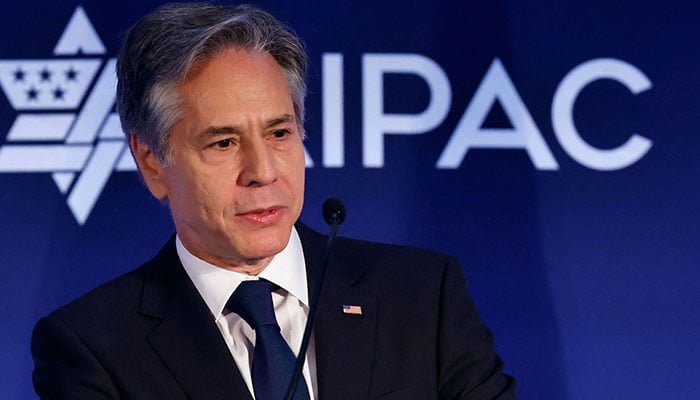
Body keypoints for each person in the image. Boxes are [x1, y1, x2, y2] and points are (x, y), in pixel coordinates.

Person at [31, 3, 516, 399]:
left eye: (280, 132)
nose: (263, 172)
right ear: (153, 161)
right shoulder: (94, 347)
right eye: (223, 143)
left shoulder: (422, 297)